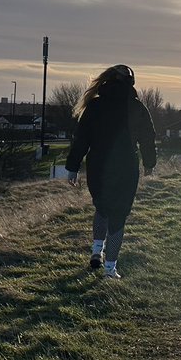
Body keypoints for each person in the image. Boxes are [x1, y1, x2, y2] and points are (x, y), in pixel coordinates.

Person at [66, 64, 157, 279]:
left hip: (98, 164)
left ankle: (97, 251)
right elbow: (148, 138)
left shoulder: (95, 106)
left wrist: (72, 167)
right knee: (118, 216)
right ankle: (110, 269)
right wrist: (149, 164)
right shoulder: (137, 108)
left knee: (102, 207)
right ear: (131, 84)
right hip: (126, 166)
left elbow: (81, 139)